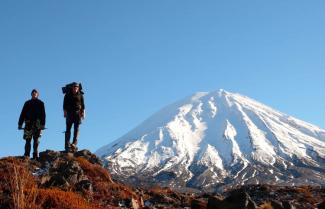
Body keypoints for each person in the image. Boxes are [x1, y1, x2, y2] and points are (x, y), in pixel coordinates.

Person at [18, 89, 46, 159]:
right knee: (28, 140)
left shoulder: (40, 103)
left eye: (35, 93)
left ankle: (35, 155)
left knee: (36, 140)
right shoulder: (27, 103)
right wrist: (20, 124)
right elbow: (22, 114)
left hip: (37, 125)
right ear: (31, 94)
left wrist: (42, 125)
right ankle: (26, 155)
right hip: (28, 124)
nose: (34, 94)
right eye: (33, 93)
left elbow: (43, 115)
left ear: (37, 94)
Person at [63, 82, 85, 152]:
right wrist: (65, 112)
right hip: (69, 113)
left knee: (77, 129)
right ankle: (67, 145)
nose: (75, 88)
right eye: (74, 87)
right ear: (72, 88)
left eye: (77, 87)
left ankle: (74, 144)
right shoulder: (67, 95)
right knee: (68, 129)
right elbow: (64, 104)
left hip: (77, 113)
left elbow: (83, 105)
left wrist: (83, 113)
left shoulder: (80, 95)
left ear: (78, 88)